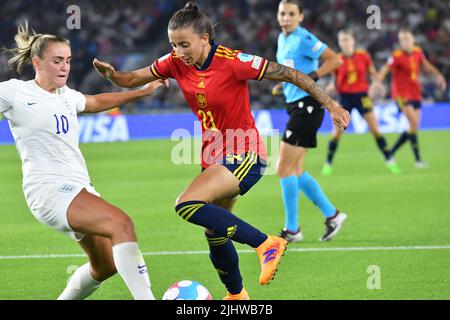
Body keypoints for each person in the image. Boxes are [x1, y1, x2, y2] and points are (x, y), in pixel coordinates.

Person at [93, 2, 350, 300]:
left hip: (246, 153)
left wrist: (331, 104)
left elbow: (291, 74)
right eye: (173, 45)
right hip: (214, 156)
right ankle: (237, 296)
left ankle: (266, 244)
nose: (178, 51)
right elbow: (131, 79)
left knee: (187, 204)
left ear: (205, 38)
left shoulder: (234, 61)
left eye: (184, 44)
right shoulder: (175, 62)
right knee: (215, 233)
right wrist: (112, 75)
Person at [0, 23, 167, 300]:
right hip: (48, 189)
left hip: (78, 187)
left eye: (67, 60)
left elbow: (95, 101)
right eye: (57, 61)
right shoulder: (15, 92)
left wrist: (142, 92)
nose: (64, 67)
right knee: (121, 224)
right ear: (36, 62)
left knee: (104, 266)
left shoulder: (66, 95)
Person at [272, 0, 347, 244]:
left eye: (291, 14)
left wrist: (311, 77)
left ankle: (292, 229)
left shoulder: (303, 38)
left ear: (300, 17)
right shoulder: (283, 39)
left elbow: (335, 60)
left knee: (283, 168)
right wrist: (283, 85)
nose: (285, 17)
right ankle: (332, 215)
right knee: (295, 169)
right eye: (282, 13)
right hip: (297, 106)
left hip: (307, 106)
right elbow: (292, 70)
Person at [321, 29, 401, 176]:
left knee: (375, 130)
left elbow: (373, 73)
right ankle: (328, 163)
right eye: (342, 40)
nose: (345, 43)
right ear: (339, 43)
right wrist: (332, 86)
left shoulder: (363, 56)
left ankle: (390, 161)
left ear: (353, 41)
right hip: (345, 97)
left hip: (362, 97)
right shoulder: (337, 60)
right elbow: (335, 79)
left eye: (347, 40)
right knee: (337, 134)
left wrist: (377, 83)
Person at [377, 28, 446, 168]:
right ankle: (417, 159)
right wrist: (378, 81)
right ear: (400, 42)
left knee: (414, 127)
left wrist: (439, 75)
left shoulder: (417, 52)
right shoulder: (396, 56)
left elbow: (426, 65)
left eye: (407, 39)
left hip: (415, 93)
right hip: (402, 95)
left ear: (412, 40)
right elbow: (385, 69)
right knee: (413, 123)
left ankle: (391, 153)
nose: (405, 42)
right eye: (402, 40)